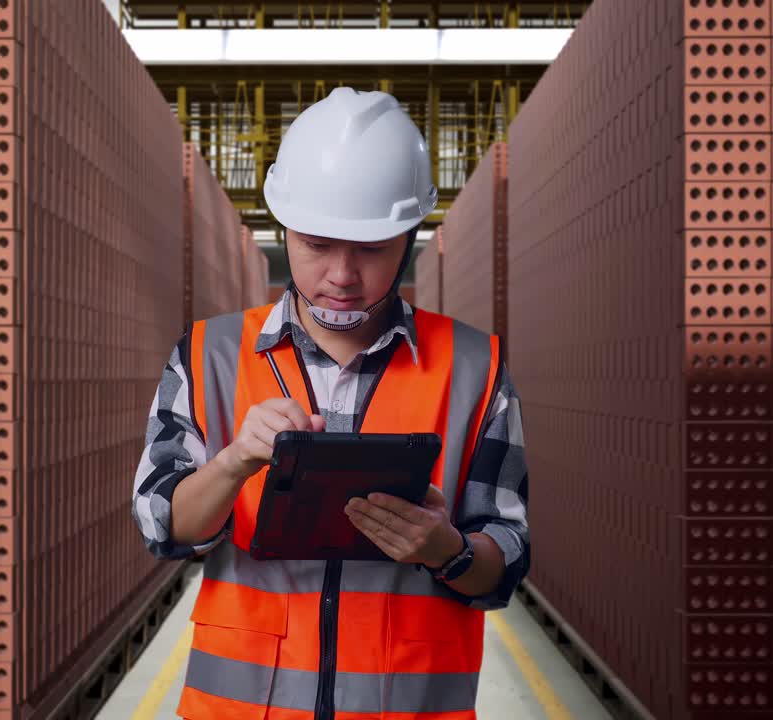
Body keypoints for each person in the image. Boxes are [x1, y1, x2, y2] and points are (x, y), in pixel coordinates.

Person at [131, 86, 530, 720]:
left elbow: (504, 561)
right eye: (317, 244)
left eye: (370, 249)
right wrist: (233, 462)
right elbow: (164, 526)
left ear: (409, 237)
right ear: (283, 227)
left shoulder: (474, 367)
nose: (342, 275)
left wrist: (445, 549)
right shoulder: (211, 354)